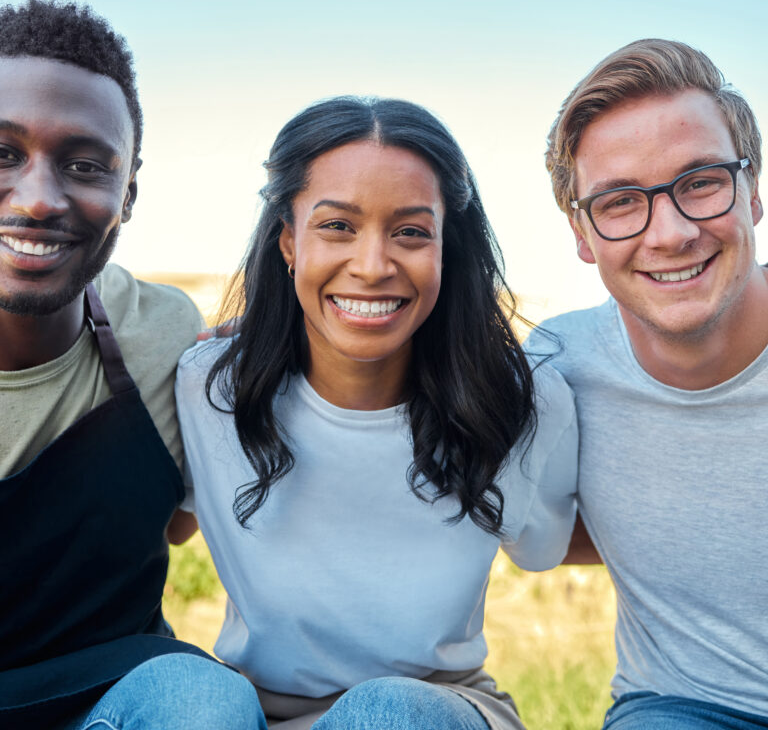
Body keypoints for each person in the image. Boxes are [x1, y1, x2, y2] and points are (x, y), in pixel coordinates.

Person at [176, 96, 578, 730]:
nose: (372, 265)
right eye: (337, 226)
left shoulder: (524, 403)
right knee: (182, 691)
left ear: (448, 248)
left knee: (382, 714)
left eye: (412, 231)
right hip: (254, 712)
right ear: (288, 239)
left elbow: (545, 547)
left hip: (435, 711)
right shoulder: (210, 387)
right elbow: (162, 526)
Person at [0, 0, 264, 729]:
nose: (39, 199)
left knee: (204, 701)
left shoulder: (165, 332)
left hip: (115, 697)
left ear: (128, 195)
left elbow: (178, 521)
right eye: (2, 154)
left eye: (85, 165)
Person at [526, 39, 768, 729]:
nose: (669, 233)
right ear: (581, 232)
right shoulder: (558, 365)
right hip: (684, 706)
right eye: (621, 201)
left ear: (752, 193)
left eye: (700, 182)